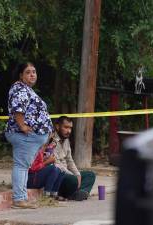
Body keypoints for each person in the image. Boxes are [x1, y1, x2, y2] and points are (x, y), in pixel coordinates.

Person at [5, 62, 53, 209]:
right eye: (28, 72)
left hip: (29, 137)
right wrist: (22, 126)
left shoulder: (26, 89)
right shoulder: (20, 89)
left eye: (34, 71)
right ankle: (19, 199)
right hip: (22, 135)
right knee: (21, 166)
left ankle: (22, 197)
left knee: (23, 166)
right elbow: (18, 108)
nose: (32, 74)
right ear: (21, 75)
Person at [53, 116, 96, 201]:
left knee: (90, 175)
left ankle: (78, 193)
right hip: (58, 174)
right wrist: (73, 176)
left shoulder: (66, 140)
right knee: (72, 179)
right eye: (66, 127)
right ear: (57, 126)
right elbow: (56, 163)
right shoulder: (51, 140)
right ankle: (74, 193)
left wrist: (78, 175)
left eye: (70, 128)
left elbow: (70, 161)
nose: (69, 131)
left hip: (68, 175)